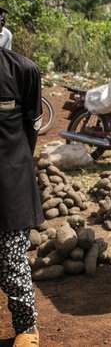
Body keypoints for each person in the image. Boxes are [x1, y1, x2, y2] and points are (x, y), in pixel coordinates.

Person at [1, 47, 43, 346]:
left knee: (12, 259)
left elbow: (31, 126)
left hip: (10, 178)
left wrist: (19, 164)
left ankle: (26, 328)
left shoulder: (22, 69)